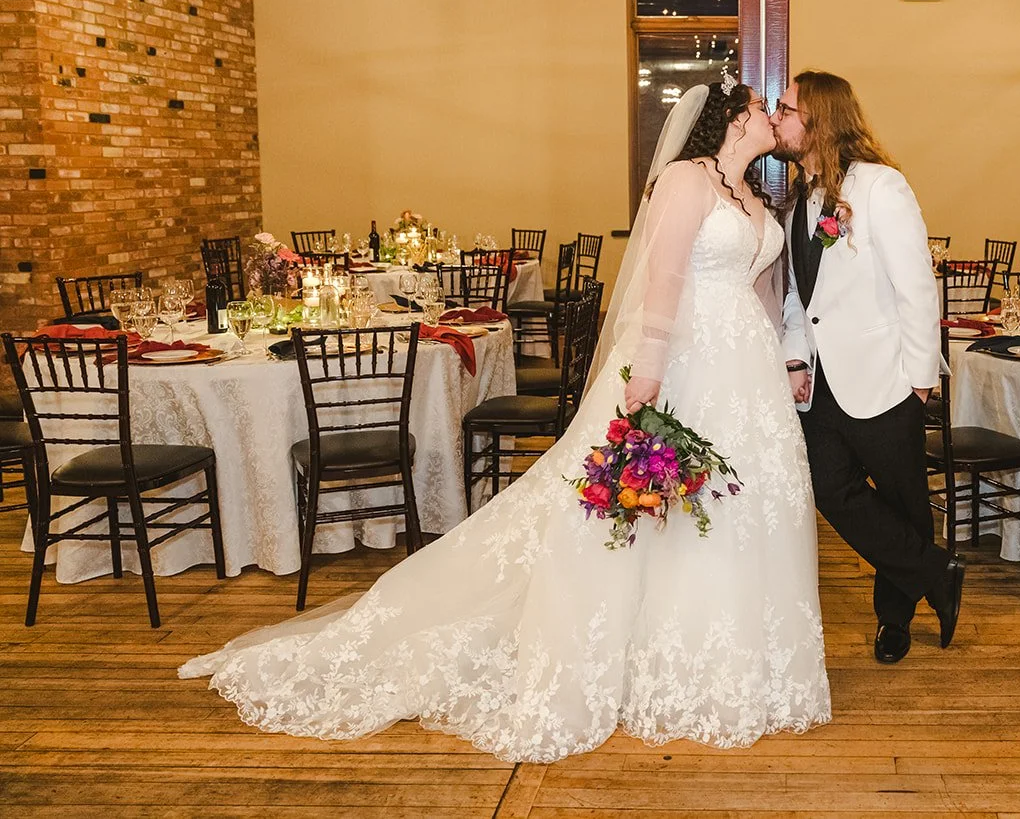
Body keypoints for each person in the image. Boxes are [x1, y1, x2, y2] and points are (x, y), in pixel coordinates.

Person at [179, 81, 831, 763]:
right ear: (731, 118)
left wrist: (780, 366)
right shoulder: (685, 180)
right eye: (760, 107)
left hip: (743, 377)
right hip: (681, 364)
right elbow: (665, 275)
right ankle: (641, 657)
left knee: (742, 514)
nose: (768, 117)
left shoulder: (756, 199)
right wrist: (649, 371)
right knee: (646, 511)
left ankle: (737, 664)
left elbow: (763, 290)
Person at [771, 69, 963, 665]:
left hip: (887, 377)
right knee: (831, 487)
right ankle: (936, 571)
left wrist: (920, 378)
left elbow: (915, 285)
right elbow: (803, 295)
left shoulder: (881, 187)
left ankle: (894, 621)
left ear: (819, 119)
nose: (777, 118)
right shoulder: (800, 200)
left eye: (786, 109)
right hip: (822, 382)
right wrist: (796, 355)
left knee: (905, 499)